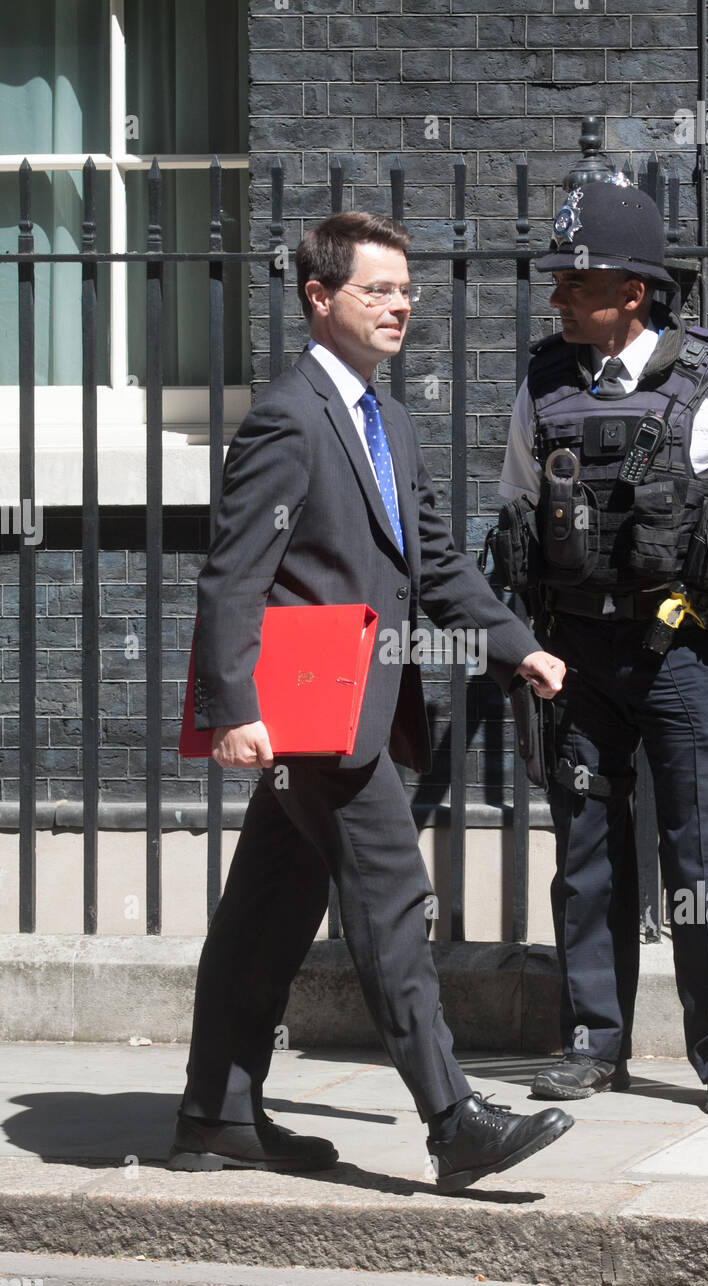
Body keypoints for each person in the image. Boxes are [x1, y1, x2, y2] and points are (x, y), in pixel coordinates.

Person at [169, 210, 573, 1193]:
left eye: (406, 290)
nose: (401, 306)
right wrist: (232, 709)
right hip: (307, 712)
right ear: (319, 297)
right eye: (378, 290)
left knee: (268, 906)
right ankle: (453, 1120)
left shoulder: (388, 420)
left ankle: (214, 1111)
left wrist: (517, 646)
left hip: (362, 702)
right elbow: (233, 576)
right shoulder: (287, 416)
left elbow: (432, 561)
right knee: (392, 900)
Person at [499, 177, 708, 1117]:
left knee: (706, 858)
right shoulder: (541, 383)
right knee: (586, 853)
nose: (557, 298)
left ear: (632, 291)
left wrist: (707, 607)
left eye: (575, 284)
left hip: (685, 662)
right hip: (579, 658)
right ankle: (593, 1043)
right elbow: (514, 518)